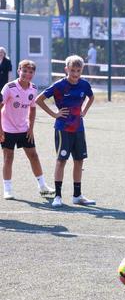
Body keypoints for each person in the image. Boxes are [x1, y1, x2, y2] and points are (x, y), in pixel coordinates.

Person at [35, 55, 95, 208]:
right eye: (72, 70)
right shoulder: (59, 85)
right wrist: (55, 114)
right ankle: (58, 196)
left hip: (78, 128)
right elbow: (39, 100)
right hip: (63, 129)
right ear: (66, 69)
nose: (75, 74)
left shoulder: (84, 84)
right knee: (61, 161)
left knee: (79, 160)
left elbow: (91, 97)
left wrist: (85, 111)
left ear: (82, 70)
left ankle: (77, 195)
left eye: (78, 70)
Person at [0, 60, 54, 200]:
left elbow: (33, 108)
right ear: (19, 71)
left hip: (24, 129)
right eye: (24, 71)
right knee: (8, 158)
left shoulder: (34, 88)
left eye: (30, 72)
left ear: (33, 74)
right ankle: (8, 189)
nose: (27, 74)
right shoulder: (9, 87)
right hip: (7, 129)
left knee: (34, 156)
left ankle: (42, 186)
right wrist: (0, 130)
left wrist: (31, 128)